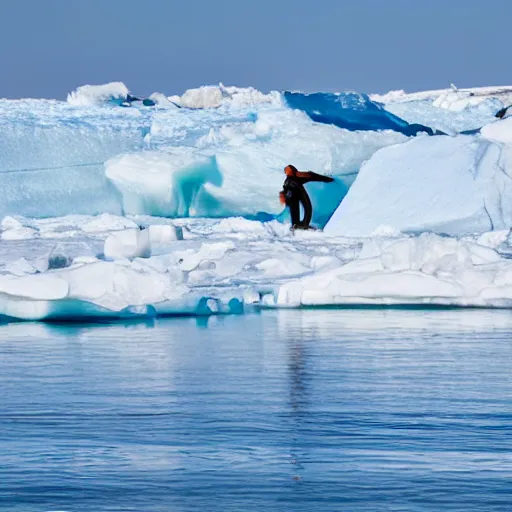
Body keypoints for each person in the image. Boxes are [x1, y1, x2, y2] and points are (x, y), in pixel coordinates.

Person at [279, 164, 334, 230]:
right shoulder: (296, 177)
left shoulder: (290, 179)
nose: (287, 172)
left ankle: (296, 224)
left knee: (296, 209)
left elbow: (311, 176)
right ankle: (302, 224)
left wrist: (284, 196)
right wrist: (328, 179)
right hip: (297, 192)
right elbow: (312, 176)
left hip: (291, 195)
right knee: (307, 207)